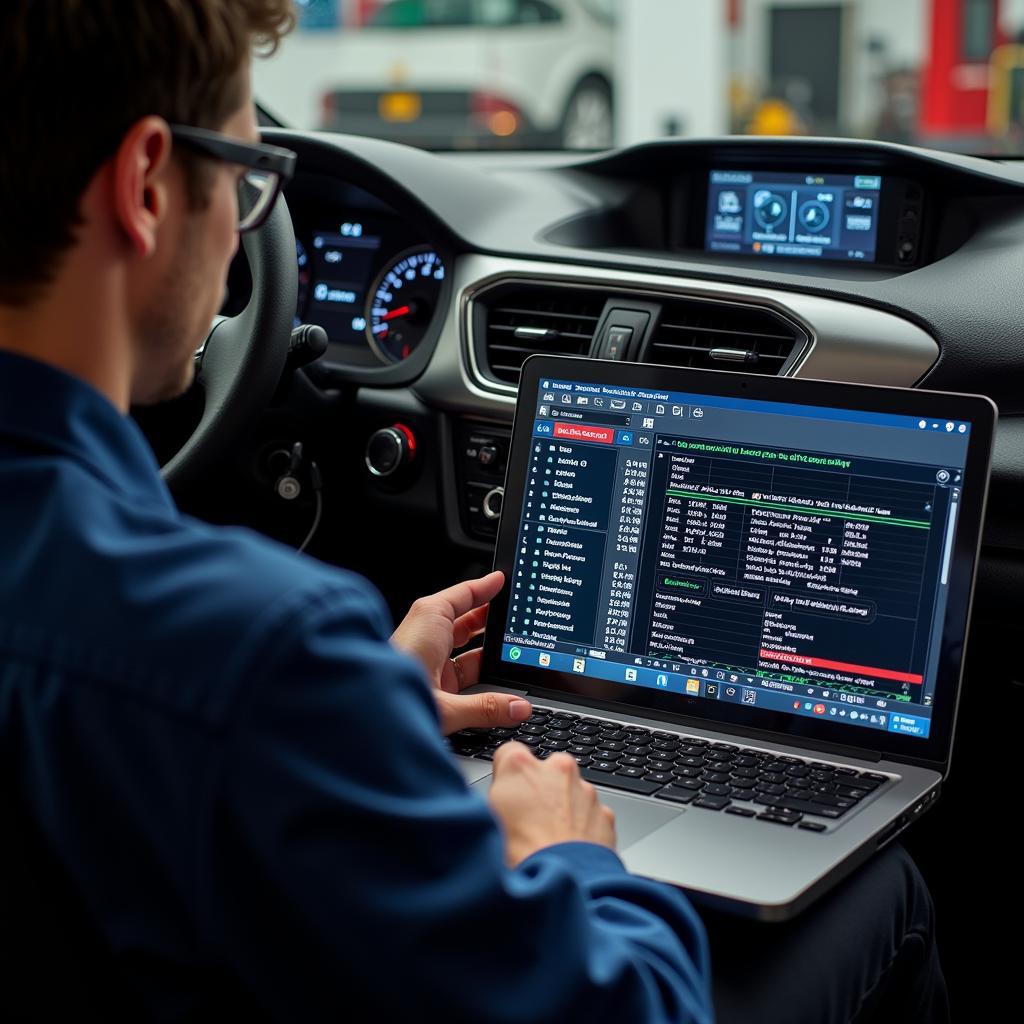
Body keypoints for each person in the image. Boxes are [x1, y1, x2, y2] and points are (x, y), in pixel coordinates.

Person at [0, 3, 948, 1021]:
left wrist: (360, 713)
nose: (242, 223)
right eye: (245, 178)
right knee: (886, 892)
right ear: (147, 185)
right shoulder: (261, 654)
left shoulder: (236, 659)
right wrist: (576, 861)